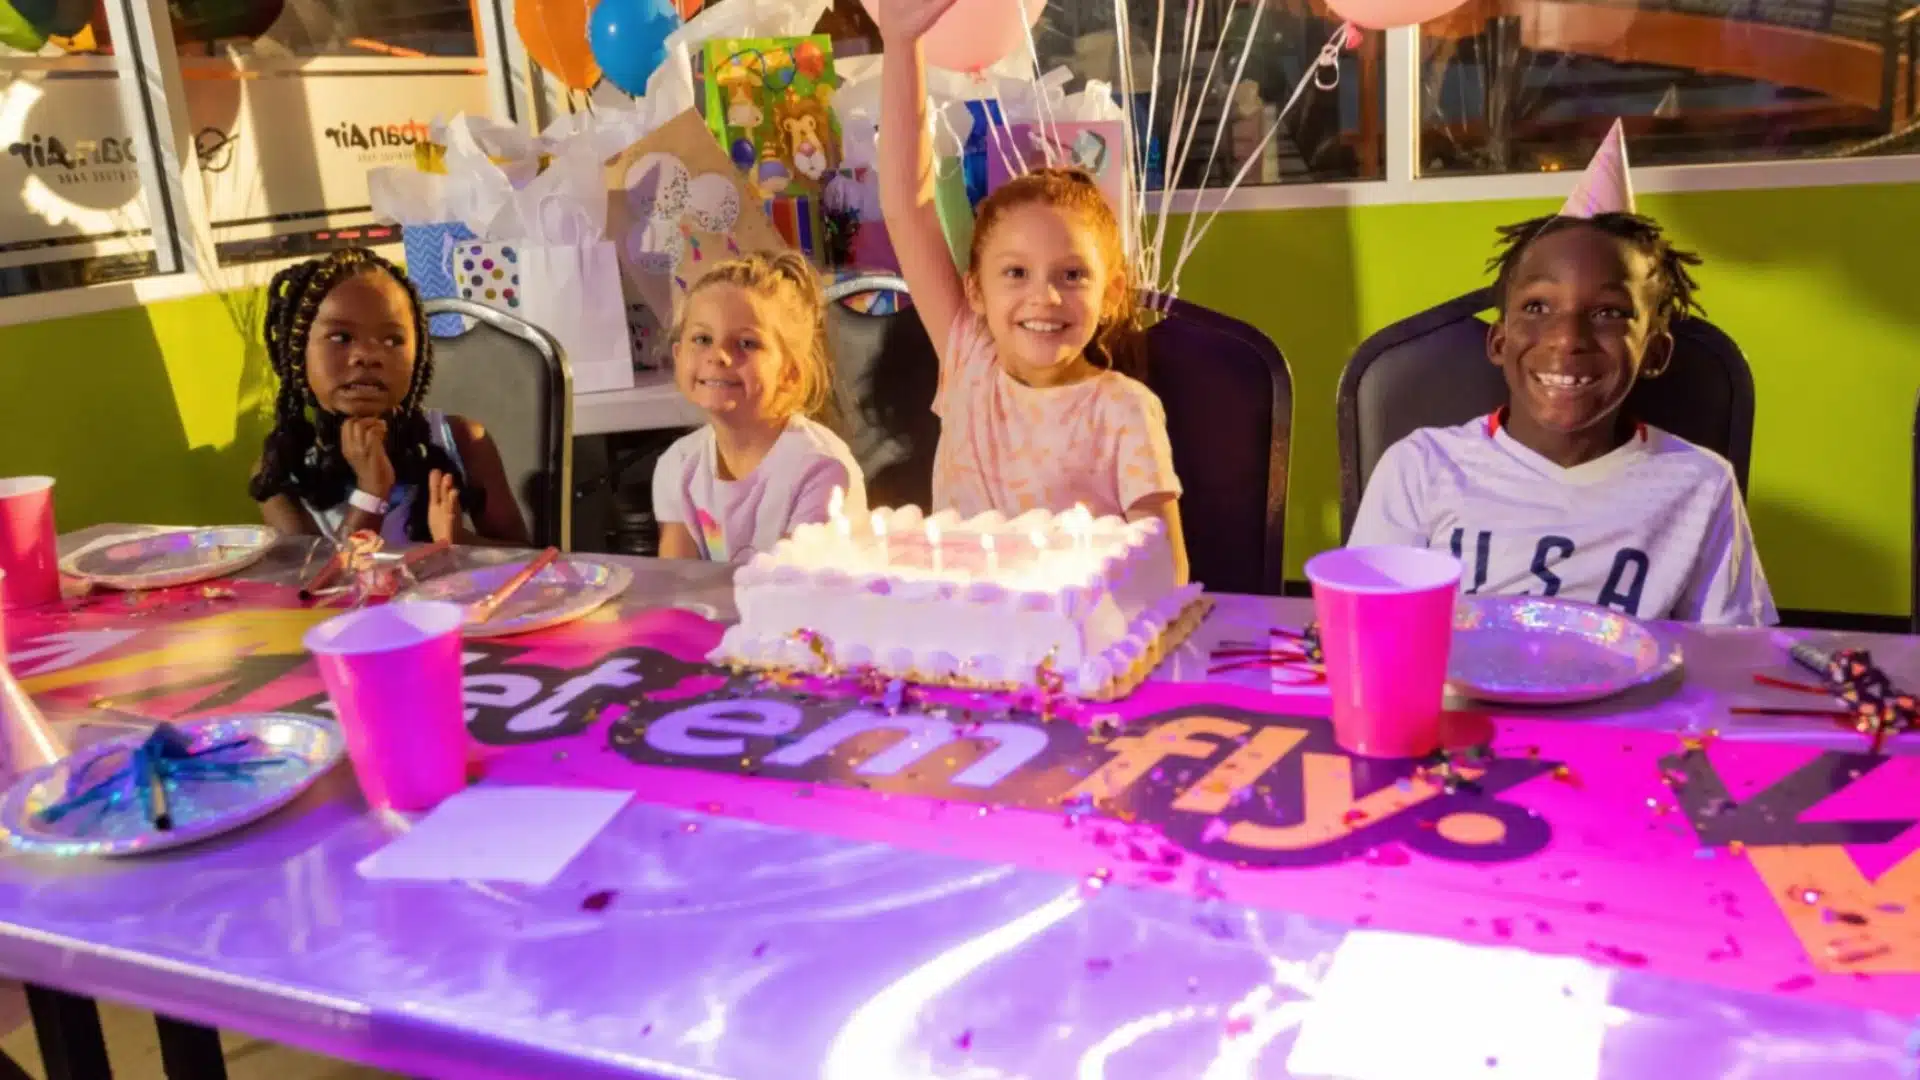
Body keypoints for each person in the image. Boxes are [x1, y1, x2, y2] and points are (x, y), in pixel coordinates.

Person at [876, 0, 1188, 584]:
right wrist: (900, 45)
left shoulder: (1123, 412)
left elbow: (1164, 576)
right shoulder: (969, 358)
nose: (1043, 297)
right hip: (962, 648)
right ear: (975, 291)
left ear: (1112, 290)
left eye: (1072, 275)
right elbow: (907, 206)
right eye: (1015, 273)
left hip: (1071, 658)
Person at [1348, 209, 1775, 626]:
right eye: (1537, 307)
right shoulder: (1421, 465)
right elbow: (1364, 631)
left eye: (1608, 312)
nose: (1568, 338)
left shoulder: (1700, 483)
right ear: (1499, 342)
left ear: (1655, 354)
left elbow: (1730, 656)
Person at [250, 248, 529, 547]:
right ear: (298, 353)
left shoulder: (462, 441)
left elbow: (525, 557)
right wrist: (372, 492)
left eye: (392, 340)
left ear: (419, 353)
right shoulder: (283, 467)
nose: (367, 356)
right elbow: (319, 584)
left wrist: (458, 540)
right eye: (341, 337)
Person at [653, 251, 865, 562]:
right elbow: (679, 585)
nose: (719, 356)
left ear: (790, 372)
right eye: (702, 339)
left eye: (747, 343)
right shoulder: (676, 467)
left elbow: (798, 596)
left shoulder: (821, 471)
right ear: (677, 355)